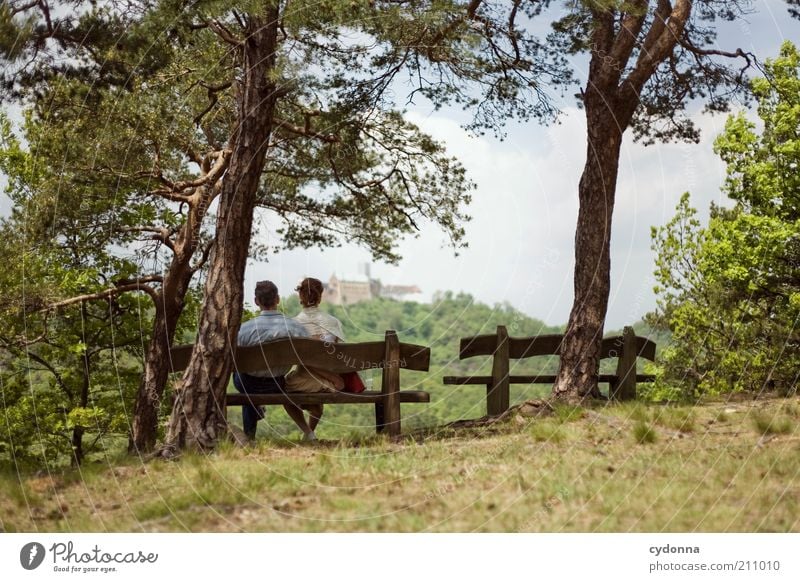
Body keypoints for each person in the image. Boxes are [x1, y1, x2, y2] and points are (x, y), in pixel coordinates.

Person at [234, 280, 315, 441]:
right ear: (278, 299)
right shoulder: (296, 328)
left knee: (242, 379)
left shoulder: (243, 330)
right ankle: (309, 433)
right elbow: (309, 353)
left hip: (249, 384)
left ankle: (250, 437)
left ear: (257, 302)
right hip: (278, 383)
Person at [283, 277, 347, 439]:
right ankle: (309, 434)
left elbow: (299, 360)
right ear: (320, 296)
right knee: (317, 406)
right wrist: (334, 377)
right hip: (329, 382)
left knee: (281, 391)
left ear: (301, 296)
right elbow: (336, 356)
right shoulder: (334, 322)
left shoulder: (293, 324)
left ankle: (308, 433)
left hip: (302, 379)